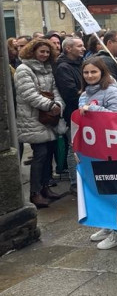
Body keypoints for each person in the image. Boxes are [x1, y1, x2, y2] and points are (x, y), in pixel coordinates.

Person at [79, 57, 117, 249]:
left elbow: (116, 115)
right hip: (94, 148)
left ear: (102, 72)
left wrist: (93, 109)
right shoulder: (83, 94)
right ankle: (108, 224)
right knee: (100, 188)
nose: (90, 76)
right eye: (86, 72)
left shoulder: (111, 91)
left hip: (110, 148)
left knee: (113, 188)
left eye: (93, 72)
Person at [15, 38, 64, 208]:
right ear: (32, 51)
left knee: (49, 152)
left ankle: (45, 187)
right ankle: (34, 193)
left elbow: (54, 89)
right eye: (41, 51)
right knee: (40, 154)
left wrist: (58, 104)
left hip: (48, 117)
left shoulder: (47, 68)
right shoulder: (23, 69)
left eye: (47, 52)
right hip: (32, 117)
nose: (44, 54)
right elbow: (28, 94)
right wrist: (50, 105)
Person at [53, 36, 86, 190]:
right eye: (79, 46)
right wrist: (85, 94)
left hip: (82, 112)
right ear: (68, 49)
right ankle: (74, 183)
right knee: (74, 147)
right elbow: (71, 93)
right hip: (72, 114)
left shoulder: (81, 64)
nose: (83, 49)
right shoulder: (63, 68)